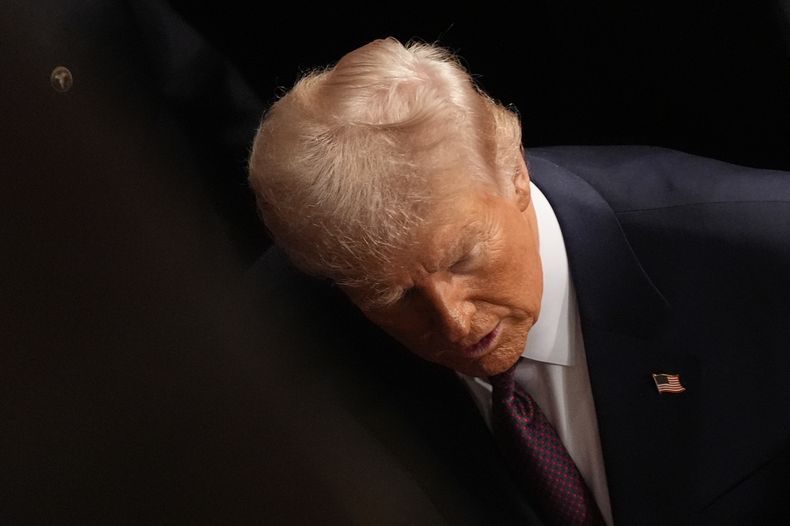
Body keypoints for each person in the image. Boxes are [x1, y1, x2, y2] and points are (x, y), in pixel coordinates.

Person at [247, 37, 790, 525]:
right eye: (391, 294)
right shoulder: (273, 346)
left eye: (462, 258)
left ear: (515, 173)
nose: (453, 321)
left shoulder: (764, 249)